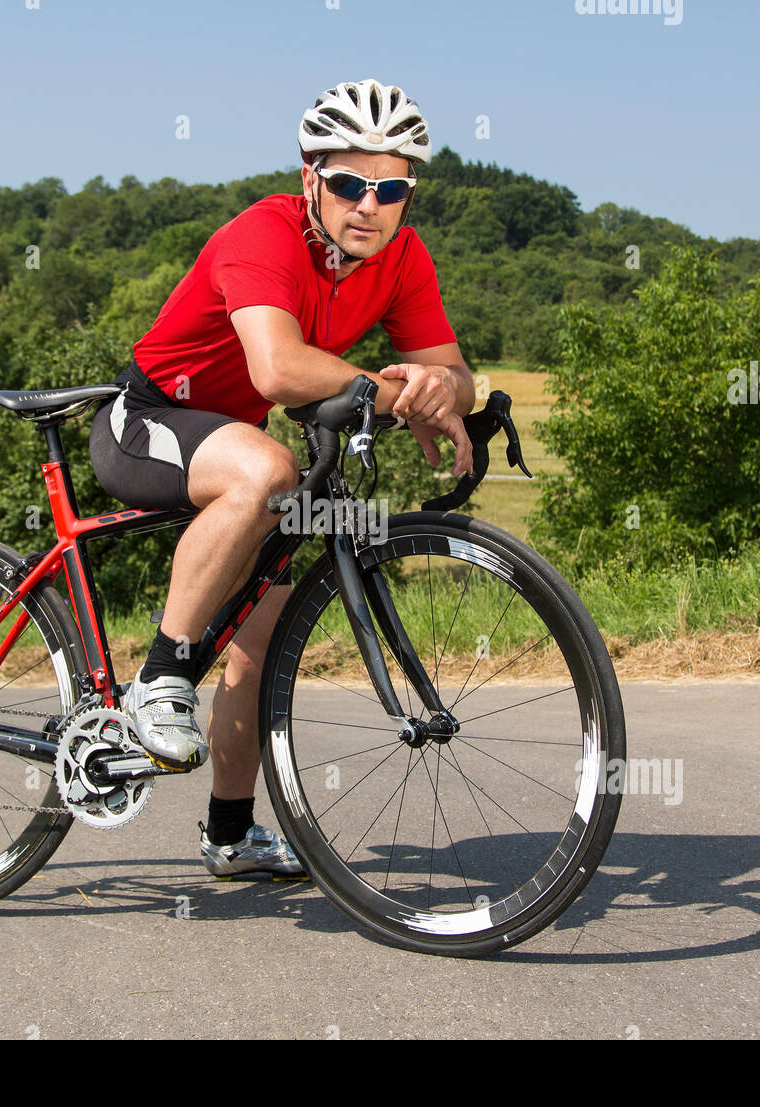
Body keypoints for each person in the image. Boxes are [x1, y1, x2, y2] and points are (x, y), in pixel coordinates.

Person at [88, 78, 475, 879]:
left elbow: (454, 374)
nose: (369, 204)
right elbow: (277, 368)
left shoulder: (401, 259)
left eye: (391, 187)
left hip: (228, 438)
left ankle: (230, 835)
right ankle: (159, 679)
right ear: (311, 178)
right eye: (347, 183)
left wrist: (445, 393)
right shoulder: (262, 235)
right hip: (147, 418)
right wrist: (395, 389)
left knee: (254, 644)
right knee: (270, 469)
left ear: (409, 194)